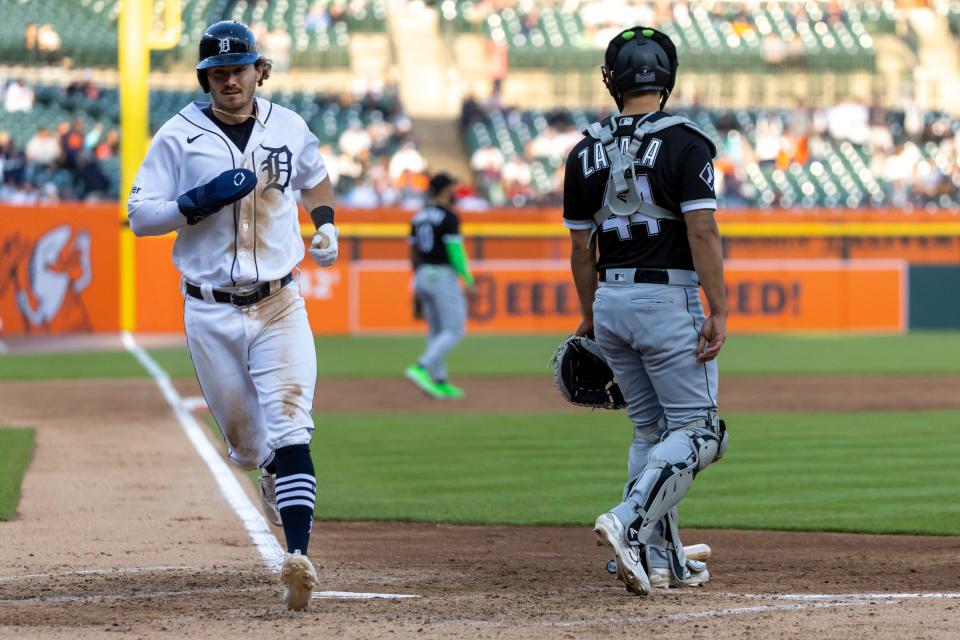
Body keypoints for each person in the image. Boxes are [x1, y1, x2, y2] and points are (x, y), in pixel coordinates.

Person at [127, 20, 339, 611]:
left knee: (293, 424)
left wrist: (325, 225)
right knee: (247, 447)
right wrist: (198, 201)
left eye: (238, 69)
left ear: (258, 71)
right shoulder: (179, 134)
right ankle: (268, 468)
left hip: (279, 301)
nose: (229, 81)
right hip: (210, 311)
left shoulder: (289, 125)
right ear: (206, 79)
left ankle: (297, 557)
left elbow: (316, 178)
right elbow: (140, 216)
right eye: (217, 73)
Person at [562, 27, 729, 595]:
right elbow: (702, 230)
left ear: (612, 79)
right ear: (667, 77)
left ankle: (663, 562)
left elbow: (581, 251)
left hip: (610, 300)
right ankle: (628, 523)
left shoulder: (583, 150)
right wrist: (720, 309)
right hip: (667, 297)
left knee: (651, 431)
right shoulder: (688, 142)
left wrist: (589, 316)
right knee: (703, 432)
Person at [405, 173, 476, 399]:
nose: (455, 192)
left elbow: (413, 252)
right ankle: (421, 367)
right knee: (454, 329)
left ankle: (440, 380)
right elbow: (455, 252)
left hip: (423, 273)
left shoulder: (418, 216)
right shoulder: (448, 216)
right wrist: (468, 279)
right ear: (445, 190)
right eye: (453, 187)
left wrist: (416, 281)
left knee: (436, 331)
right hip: (442, 274)